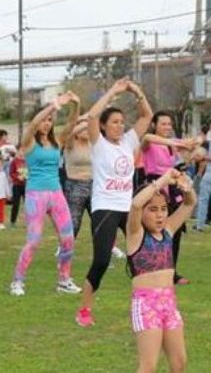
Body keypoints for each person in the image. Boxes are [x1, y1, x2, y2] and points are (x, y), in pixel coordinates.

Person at [76, 77, 153, 327]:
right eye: (115, 123)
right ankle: (85, 310)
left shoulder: (129, 142)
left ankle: (146, 306)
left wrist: (137, 91)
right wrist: (114, 91)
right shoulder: (99, 144)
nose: (120, 126)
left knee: (141, 257)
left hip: (128, 208)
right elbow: (91, 118)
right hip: (105, 208)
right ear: (105, 126)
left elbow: (146, 116)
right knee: (101, 261)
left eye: (122, 122)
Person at [9, 91, 81, 297]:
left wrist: (75, 104)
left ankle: (64, 280)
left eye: (50, 121)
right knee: (34, 240)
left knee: (68, 239)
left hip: (56, 193)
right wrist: (54, 104)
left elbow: (72, 123)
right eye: (44, 120)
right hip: (36, 195)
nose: (46, 124)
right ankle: (17, 281)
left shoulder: (58, 141)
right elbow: (33, 123)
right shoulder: (29, 142)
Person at [127, 169, 195, 373]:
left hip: (169, 304)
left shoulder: (168, 230)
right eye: (153, 209)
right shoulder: (136, 233)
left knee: (179, 362)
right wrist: (162, 181)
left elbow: (190, 203)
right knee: (148, 366)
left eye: (163, 209)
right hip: (146, 305)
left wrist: (187, 188)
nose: (160, 215)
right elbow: (136, 204)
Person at [142, 110, 196, 286]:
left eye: (169, 124)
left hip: (172, 188)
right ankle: (151, 268)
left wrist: (189, 149)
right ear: (154, 125)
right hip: (155, 188)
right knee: (154, 230)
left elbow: (181, 162)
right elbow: (148, 138)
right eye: (163, 123)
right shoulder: (150, 142)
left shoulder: (172, 146)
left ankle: (171, 271)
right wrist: (175, 141)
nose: (167, 127)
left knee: (175, 230)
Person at [59, 104, 93, 240]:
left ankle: (108, 248)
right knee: (74, 222)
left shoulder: (93, 143)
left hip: (94, 184)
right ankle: (65, 247)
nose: (86, 130)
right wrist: (85, 120)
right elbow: (69, 131)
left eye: (88, 128)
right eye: (83, 128)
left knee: (99, 220)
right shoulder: (70, 143)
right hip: (74, 186)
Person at [9, 150, 28, 228]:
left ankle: (28, 222)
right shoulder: (14, 161)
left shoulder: (28, 161)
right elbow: (11, 173)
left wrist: (27, 177)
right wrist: (17, 177)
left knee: (28, 204)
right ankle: (12, 222)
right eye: (20, 151)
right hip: (16, 185)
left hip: (26, 185)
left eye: (23, 151)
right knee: (16, 204)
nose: (21, 153)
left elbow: (31, 171)